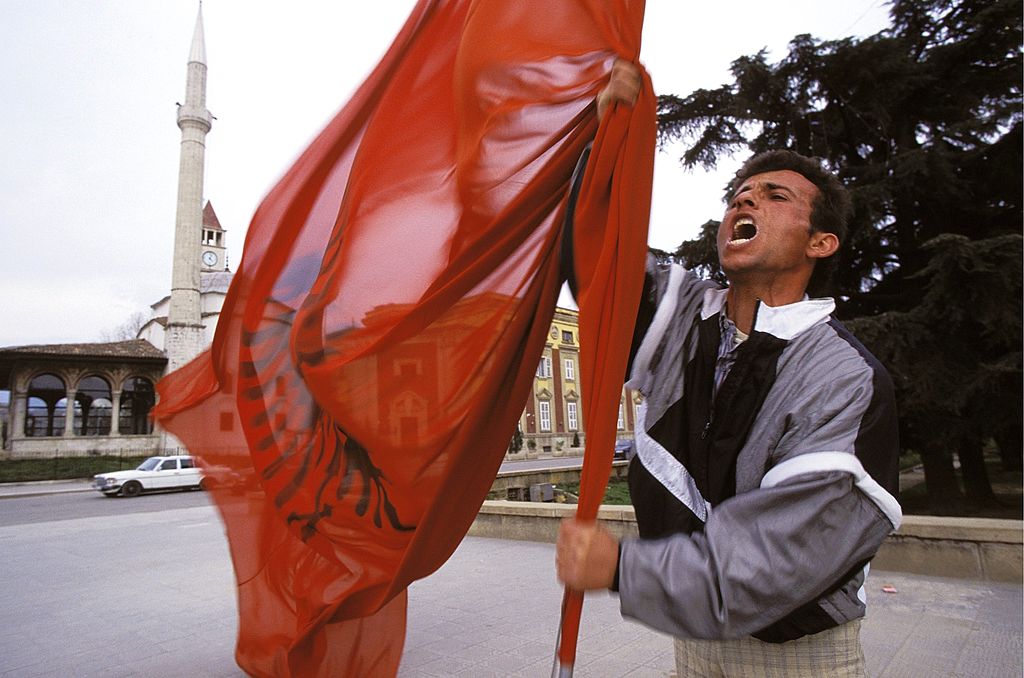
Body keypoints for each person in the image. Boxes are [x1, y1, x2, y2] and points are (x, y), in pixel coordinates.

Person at [556, 62, 902, 677]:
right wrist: (600, 139)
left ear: (820, 243)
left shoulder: (843, 377)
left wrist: (622, 568)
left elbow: (780, 558)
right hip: (695, 636)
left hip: (799, 651)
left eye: (775, 196)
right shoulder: (684, 319)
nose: (745, 198)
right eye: (739, 194)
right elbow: (596, 249)